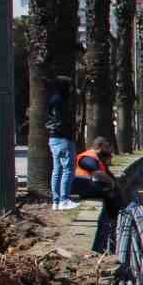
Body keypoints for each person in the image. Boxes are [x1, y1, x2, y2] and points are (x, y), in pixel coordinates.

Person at [45, 77, 77, 211]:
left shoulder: (52, 100)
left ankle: (56, 201)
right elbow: (62, 121)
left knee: (57, 170)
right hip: (63, 138)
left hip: (53, 138)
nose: (71, 90)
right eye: (69, 87)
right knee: (67, 169)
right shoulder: (60, 102)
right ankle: (64, 199)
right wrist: (70, 131)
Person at [73, 137, 124, 215]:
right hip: (83, 186)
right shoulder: (88, 157)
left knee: (114, 191)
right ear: (101, 146)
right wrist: (111, 183)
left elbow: (107, 174)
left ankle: (117, 215)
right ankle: (115, 216)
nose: (108, 150)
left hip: (91, 185)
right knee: (109, 191)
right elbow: (98, 173)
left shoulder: (98, 159)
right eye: (107, 147)